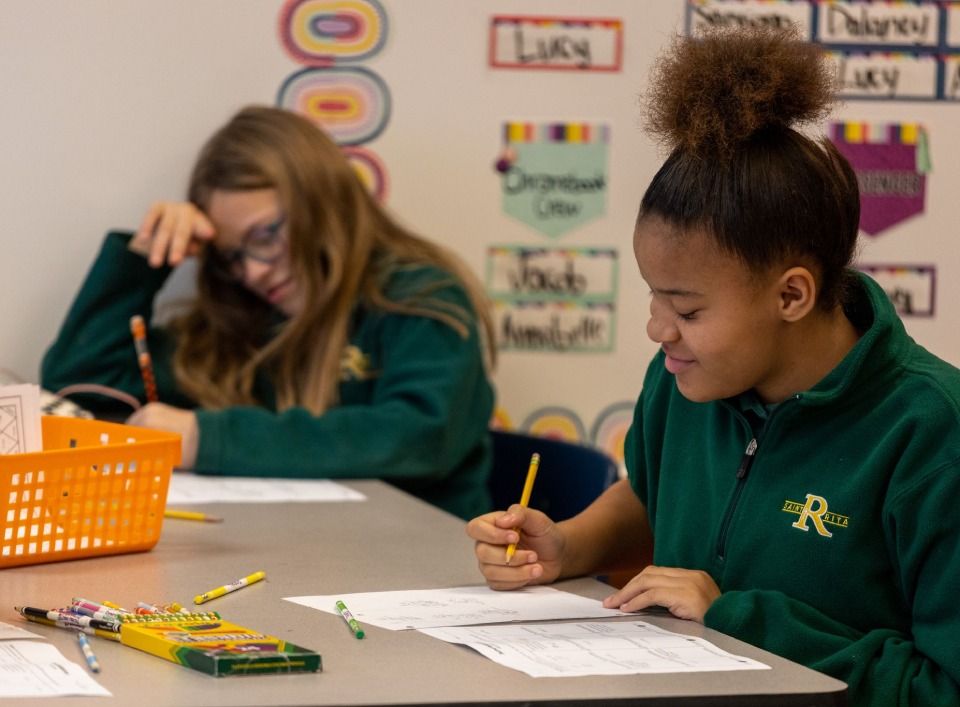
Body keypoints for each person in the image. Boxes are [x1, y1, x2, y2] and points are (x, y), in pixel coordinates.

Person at [466, 27, 960, 706]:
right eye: (652, 296)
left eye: (688, 310)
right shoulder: (685, 373)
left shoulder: (932, 434)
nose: (657, 328)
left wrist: (739, 617)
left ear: (792, 294)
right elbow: (652, 493)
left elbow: (943, 687)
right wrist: (569, 546)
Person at [42, 105, 496, 520]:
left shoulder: (418, 297)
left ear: (322, 200)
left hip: (421, 564)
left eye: (265, 235)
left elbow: (418, 437)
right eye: (232, 255)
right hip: (299, 558)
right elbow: (79, 392)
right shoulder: (245, 318)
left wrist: (208, 437)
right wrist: (142, 261)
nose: (254, 272)